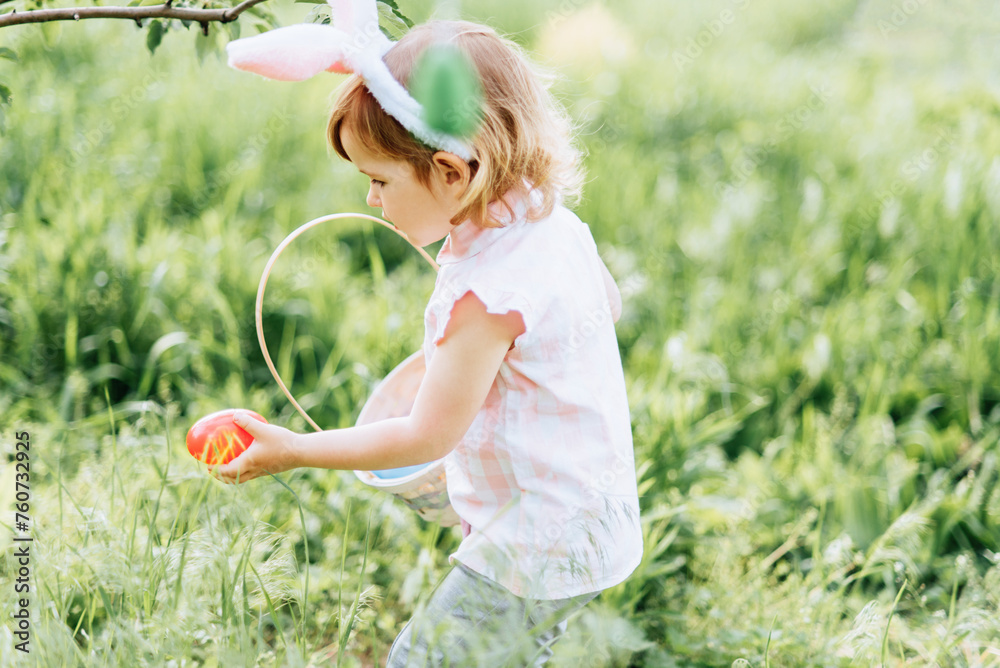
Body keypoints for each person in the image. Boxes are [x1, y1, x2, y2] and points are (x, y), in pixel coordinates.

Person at [219, 2, 643, 664]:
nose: (371, 201)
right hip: (593, 518)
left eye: (379, 179)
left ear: (451, 172)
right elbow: (603, 308)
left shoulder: (484, 296)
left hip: (532, 545)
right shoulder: (554, 226)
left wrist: (294, 449)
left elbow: (424, 436)